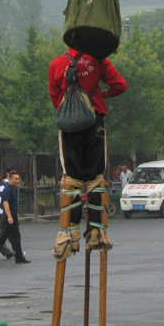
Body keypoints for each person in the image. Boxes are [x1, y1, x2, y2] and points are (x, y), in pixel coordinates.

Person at [49, 46, 127, 258]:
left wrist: (69, 112)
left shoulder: (56, 63)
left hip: (68, 128)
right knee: (95, 177)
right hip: (95, 123)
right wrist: (101, 94)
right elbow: (120, 85)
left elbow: (54, 96)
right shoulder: (98, 59)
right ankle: (96, 233)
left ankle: (69, 234)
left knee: (71, 179)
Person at [0, 171, 30, 264]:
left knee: (16, 237)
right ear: (10, 179)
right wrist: (9, 216)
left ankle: (19, 257)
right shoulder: (7, 189)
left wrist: (15, 213)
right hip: (8, 216)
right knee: (2, 237)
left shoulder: (13, 189)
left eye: (18, 179)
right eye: (15, 179)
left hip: (13, 215)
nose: (17, 181)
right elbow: (5, 203)